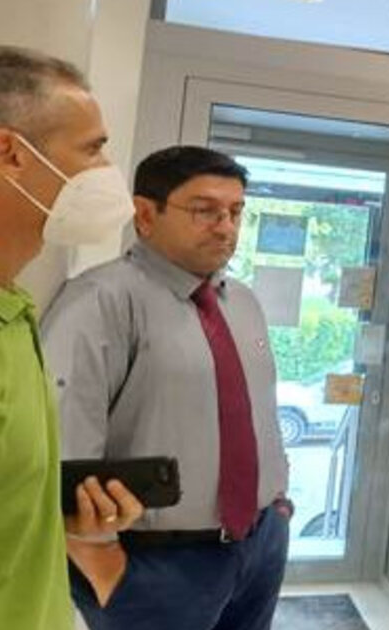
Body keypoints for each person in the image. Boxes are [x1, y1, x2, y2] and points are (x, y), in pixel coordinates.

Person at [42, 145, 293, 630]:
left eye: (235, 211)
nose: (225, 227)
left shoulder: (242, 302)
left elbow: (256, 413)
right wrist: (101, 562)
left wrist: (279, 507)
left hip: (260, 543)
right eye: (204, 210)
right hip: (156, 561)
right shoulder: (100, 301)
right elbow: (64, 448)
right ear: (145, 214)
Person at [0, 45, 143, 629]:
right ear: (11, 153)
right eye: (92, 149)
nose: (108, 171)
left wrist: (60, 523)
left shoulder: (15, 310)